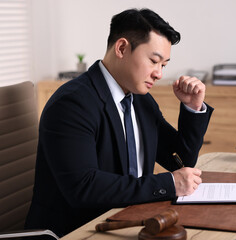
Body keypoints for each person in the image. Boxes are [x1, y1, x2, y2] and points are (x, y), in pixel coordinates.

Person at [25, 8, 213, 237]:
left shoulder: (140, 100)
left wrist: (193, 108)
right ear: (122, 48)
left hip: (133, 219)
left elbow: (180, 161)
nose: (159, 74)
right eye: (154, 61)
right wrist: (169, 183)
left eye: (163, 65)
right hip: (79, 230)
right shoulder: (72, 104)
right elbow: (84, 187)